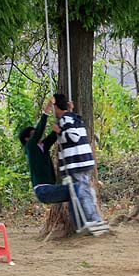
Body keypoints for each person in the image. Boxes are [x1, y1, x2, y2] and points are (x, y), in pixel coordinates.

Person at [18, 97, 80, 229]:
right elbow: (41, 129)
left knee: (75, 192)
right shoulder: (30, 147)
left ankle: (78, 223)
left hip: (48, 189)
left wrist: (68, 112)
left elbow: (55, 133)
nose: (38, 135)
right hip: (43, 190)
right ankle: (79, 224)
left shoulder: (42, 147)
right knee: (75, 189)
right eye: (33, 134)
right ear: (27, 139)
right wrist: (47, 109)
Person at [51, 93, 106, 228]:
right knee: (85, 189)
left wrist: (59, 131)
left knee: (82, 191)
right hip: (84, 159)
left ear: (57, 107)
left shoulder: (65, 120)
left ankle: (93, 219)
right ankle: (94, 217)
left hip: (77, 161)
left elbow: (73, 136)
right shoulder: (72, 117)